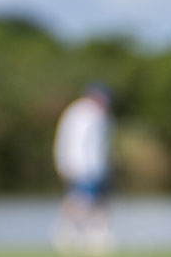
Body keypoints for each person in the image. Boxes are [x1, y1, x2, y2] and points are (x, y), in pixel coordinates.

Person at [52, 84, 114, 255]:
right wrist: (72, 166)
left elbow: (100, 146)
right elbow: (74, 144)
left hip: (97, 168)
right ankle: (67, 233)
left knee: (100, 203)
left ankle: (97, 236)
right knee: (81, 201)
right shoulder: (81, 113)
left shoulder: (100, 115)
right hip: (82, 167)